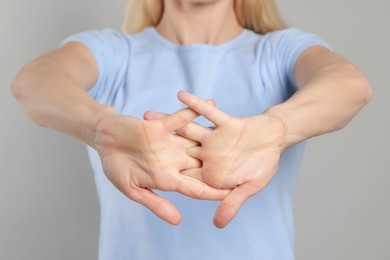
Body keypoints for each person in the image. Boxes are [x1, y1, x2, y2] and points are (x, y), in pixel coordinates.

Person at [11, 0, 372, 259]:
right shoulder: (114, 53)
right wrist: (101, 129)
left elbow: (350, 85)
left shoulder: (278, 51)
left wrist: (278, 129)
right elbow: (34, 81)